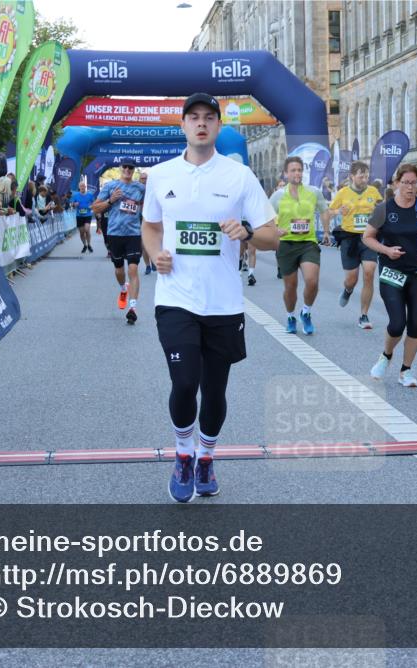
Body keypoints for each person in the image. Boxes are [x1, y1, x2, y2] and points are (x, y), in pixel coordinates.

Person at [141, 93, 279, 503]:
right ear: (183, 125)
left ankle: (206, 458)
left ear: (218, 127)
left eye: (208, 118)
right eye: (193, 118)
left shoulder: (239, 177)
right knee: (184, 383)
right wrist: (155, 254)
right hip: (175, 299)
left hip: (223, 303)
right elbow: (150, 227)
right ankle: (183, 454)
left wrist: (248, 233)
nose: (201, 124)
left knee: (215, 390)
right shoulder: (162, 175)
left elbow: (273, 235)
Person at [363, 164, 417, 387]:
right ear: (396, 183)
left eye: (414, 183)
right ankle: (386, 355)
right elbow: (367, 237)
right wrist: (387, 251)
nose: (410, 187)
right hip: (392, 272)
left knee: (415, 324)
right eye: (405, 183)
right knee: (397, 323)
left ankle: (405, 370)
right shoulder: (384, 209)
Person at [269, 156, 331, 335]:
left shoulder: (313, 192)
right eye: (293, 170)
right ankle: (290, 316)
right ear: (286, 173)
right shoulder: (278, 195)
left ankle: (306, 311)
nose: (297, 173)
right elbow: (266, 215)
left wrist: (326, 231)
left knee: (312, 281)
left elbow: (324, 211)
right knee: (291, 286)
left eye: (299, 170)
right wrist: (275, 230)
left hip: (308, 243)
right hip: (286, 244)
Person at [330, 161, 382, 329]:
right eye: (361, 176)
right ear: (352, 176)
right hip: (349, 239)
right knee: (351, 280)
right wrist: (338, 212)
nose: (365, 179)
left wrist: (379, 212)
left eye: (367, 176)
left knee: (369, 273)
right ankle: (348, 290)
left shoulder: (373, 192)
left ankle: (364, 315)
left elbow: (382, 209)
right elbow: (328, 211)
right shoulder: (343, 193)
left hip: (368, 238)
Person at [92, 159, 145, 323]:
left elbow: (147, 205)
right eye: (125, 167)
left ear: (134, 170)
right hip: (115, 233)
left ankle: (133, 308)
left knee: (134, 269)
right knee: (119, 270)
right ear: (121, 168)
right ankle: (123, 288)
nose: (128, 170)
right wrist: (111, 200)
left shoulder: (140, 188)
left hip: (134, 234)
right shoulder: (110, 187)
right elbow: (95, 207)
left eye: (131, 168)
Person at [70, 180, 95, 253]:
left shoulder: (90, 195)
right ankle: (85, 245)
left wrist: (92, 206)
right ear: (79, 187)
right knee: (81, 232)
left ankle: (89, 244)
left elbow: (94, 203)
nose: (82, 187)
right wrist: (74, 204)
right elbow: (71, 205)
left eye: (83, 186)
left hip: (87, 214)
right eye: (81, 186)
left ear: (85, 187)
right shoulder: (76, 195)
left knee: (87, 230)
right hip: (79, 215)